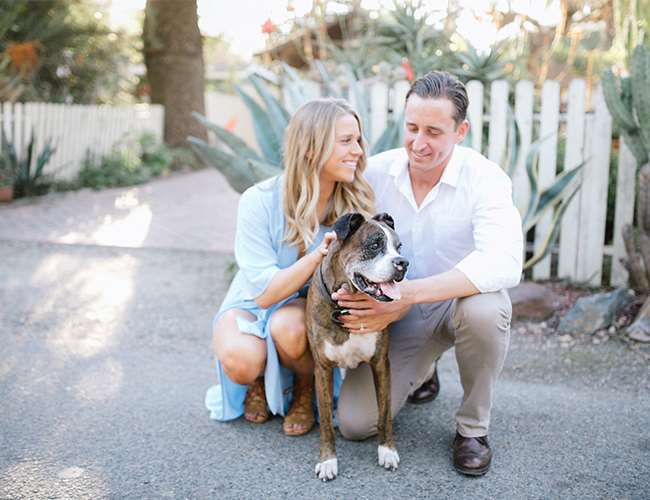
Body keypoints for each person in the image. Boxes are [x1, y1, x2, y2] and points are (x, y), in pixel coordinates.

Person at [332, 71, 523, 476]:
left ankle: (472, 429)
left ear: (461, 130)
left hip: (457, 303)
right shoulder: (377, 174)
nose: (419, 143)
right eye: (412, 127)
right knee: (354, 424)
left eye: (434, 132)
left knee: (487, 311)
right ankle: (425, 370)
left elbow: (504, 261)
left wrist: (408, 295)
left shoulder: (485, 178)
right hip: (399, 315)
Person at [205, 98, 375, 436]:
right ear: (311, 149)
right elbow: (265, 293)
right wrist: (318, 256)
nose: (357, 150)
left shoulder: (355, 206)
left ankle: (303, 386)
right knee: (241, 358)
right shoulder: (258, 200)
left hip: (307, 308)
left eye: (358, 140)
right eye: (345, 141)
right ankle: (257, 382)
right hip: (253, 299)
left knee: (291, 328)